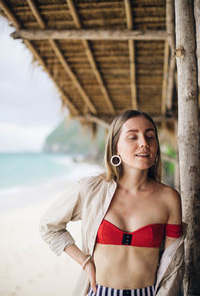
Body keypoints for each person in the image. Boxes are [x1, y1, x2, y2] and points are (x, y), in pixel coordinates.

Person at [39, 110, 185, 296]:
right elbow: (49, 226)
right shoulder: (91, 189)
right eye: (133, 137)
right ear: (115, 147)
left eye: (150, 136)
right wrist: (85, 262)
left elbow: (173, 264)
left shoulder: (169, 198)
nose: (144, 143)